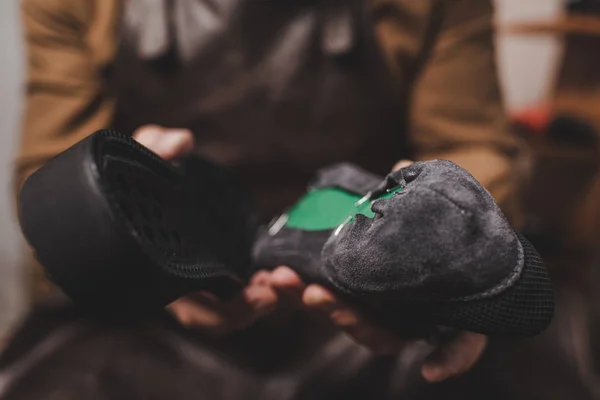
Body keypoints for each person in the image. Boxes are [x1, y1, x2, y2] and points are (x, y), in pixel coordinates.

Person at [10, 0, 526, 397]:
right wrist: (105, 205)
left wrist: (454, 236)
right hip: (157, 299)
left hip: (370, 288)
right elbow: (45, 173)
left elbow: (473, 146)